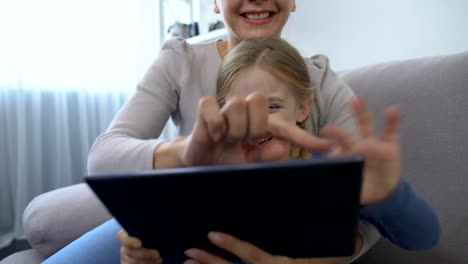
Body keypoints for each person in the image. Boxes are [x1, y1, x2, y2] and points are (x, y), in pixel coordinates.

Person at [43, 37, 439, 264]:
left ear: (304, 108)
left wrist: (389, 193)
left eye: (272, 107)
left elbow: (423, 237)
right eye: (242, 111)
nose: (258, 124)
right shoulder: (191, 183)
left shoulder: (328, 174)